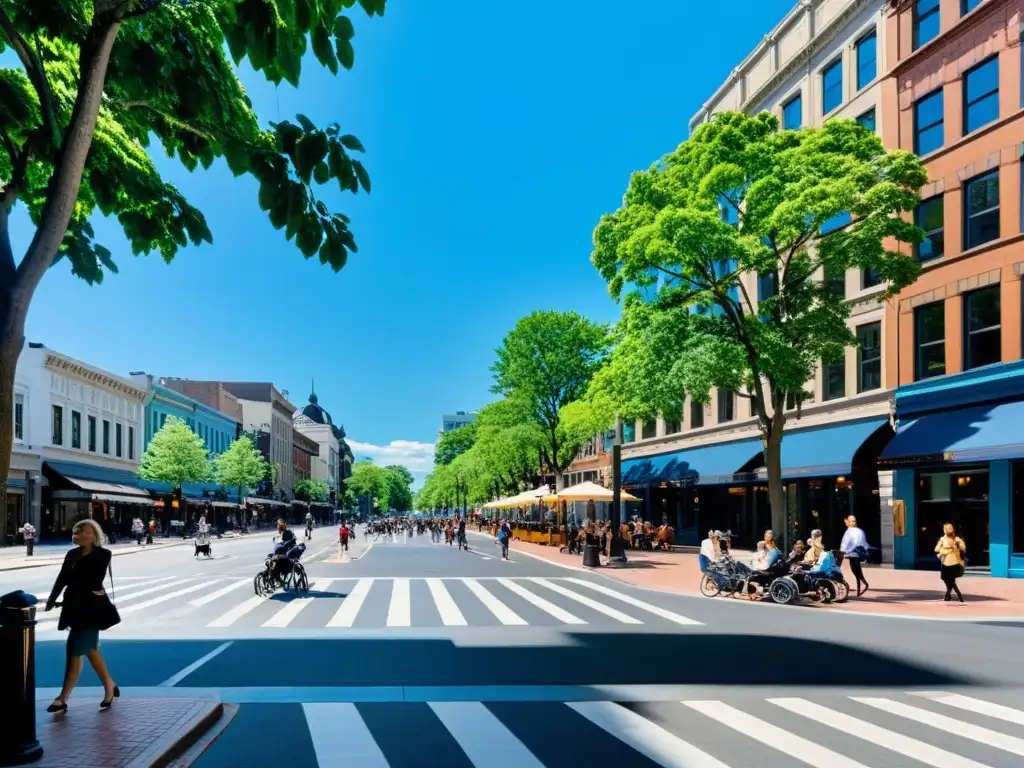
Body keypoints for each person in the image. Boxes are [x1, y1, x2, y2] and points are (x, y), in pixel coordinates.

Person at [44, 519, 120, 713]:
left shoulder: (103, 554)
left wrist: (77, 588)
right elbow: (62, 578)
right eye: (78, 531)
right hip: (74, 608)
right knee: (88, 649)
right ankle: (108, 683)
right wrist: (52, 599)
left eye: (86, 532)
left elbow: (92, 579)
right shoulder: (71, 554)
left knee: (75, 650)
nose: (81, 535)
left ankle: (63, 697)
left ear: (94, 534)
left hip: (91, 609)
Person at [840, 515, 870, 596]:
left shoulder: (852, 531)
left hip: (853, 554)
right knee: (857, 571)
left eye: (853, 521)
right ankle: (861, 588)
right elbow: (864, 544)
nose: (846, 523)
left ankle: (863, 585)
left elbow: (850, 544)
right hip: (854, 554)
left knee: (856, 571)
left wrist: (844, 552)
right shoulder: (858, 531)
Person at [935, 523, 966, 603]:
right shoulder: (943, 539)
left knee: (951, 581)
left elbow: (963, 548)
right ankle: (950, 595)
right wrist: (944, 549)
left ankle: (952, 595)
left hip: (954, 563)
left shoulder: (956, 539)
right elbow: (937, 549)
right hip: (946, 563)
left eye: (947, 529)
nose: (945, 531)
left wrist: (957, 545)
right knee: (947, 580)